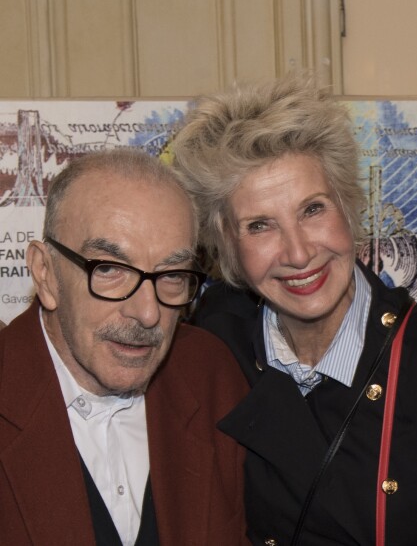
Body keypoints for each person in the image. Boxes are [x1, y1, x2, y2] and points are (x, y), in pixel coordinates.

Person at [173, 74, 417, 546]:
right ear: (227, 247)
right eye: (260, 225)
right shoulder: (218, 342)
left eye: (312, 210)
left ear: (348, 209)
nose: (297, 252)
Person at [0, 149, 249, 545]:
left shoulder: (211, 375)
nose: (148, 313)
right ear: (45, 274)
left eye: (172, 275)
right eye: (110, 270)